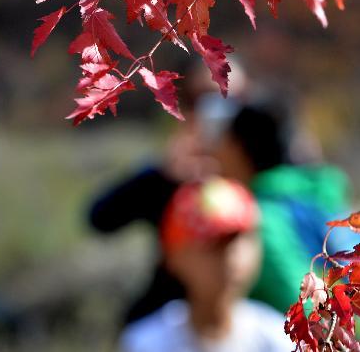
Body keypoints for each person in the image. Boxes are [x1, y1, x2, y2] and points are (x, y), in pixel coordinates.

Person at [88, 59, 247, 324]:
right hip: (172, 318)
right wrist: (163, 177)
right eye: (204, 100)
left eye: (232, 98)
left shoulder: (269, 171)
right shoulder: (169, 175)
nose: (220, 111)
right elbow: (100, 219)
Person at [213, 102, 360, 313]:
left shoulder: (261, 218)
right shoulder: (324, 197)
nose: (216, 152)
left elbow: (300, 304)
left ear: (238, 148)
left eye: (223, 140)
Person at [120, 177, 292, 352]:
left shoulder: (278, 337)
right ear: (174, 257)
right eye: (213, 244)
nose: (231, 256)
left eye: (240, 239)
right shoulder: (146, 343)